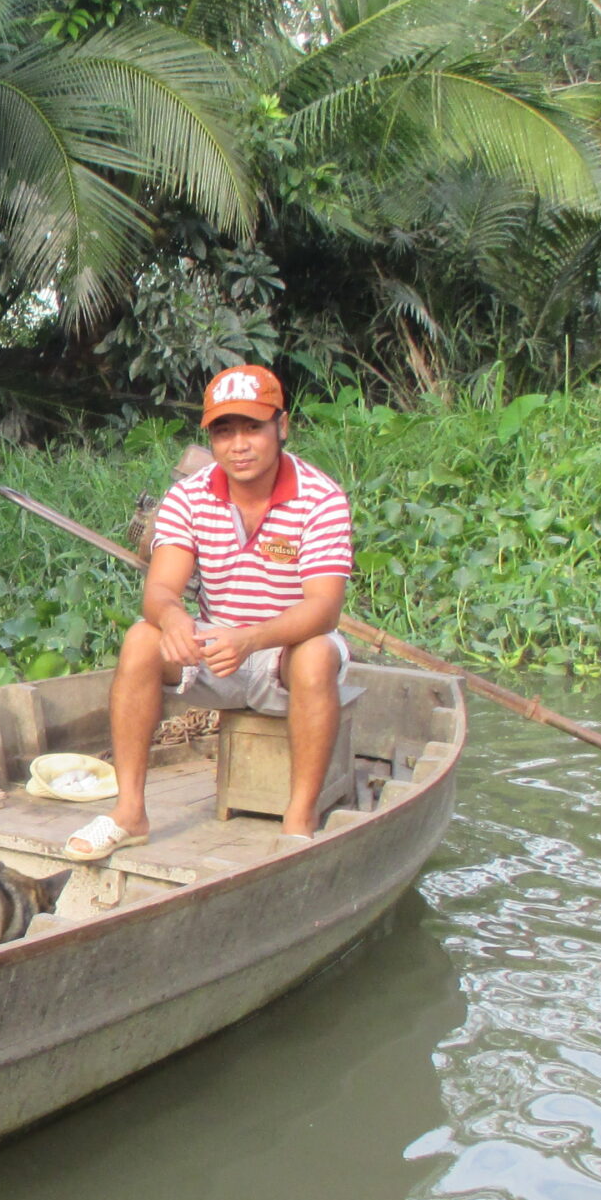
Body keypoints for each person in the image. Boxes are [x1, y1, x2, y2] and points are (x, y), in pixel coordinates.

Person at [66, 363, 359, 858]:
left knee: (315, 655)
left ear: (281, 427)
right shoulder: (189, 496)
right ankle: (130, 812)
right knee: (142, 638)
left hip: (283, 651)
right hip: (214, 648)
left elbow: (324, 609)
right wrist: (175, 618)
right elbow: (160, 587)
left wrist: (250, 639)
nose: (238, 445)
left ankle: (298, 819)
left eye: (253, 428)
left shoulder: (321, 498)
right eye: (224, 431)